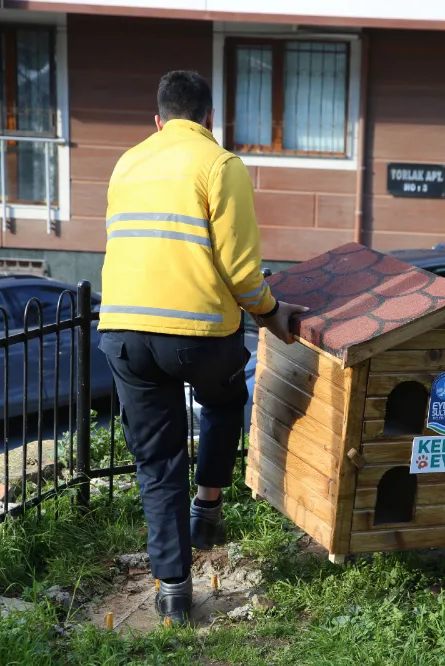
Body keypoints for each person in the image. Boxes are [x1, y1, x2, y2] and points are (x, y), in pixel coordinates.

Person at [97, 70, 306, 625]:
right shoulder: (219, 164)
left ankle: (172, 590)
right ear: (208, 119)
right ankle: (208, 506)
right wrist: (268, 312)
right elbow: (240, 269)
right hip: (197, 335)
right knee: (222, 399)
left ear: (158, 120)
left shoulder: (127, 163)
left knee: (157, 460)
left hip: (123, 330)